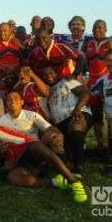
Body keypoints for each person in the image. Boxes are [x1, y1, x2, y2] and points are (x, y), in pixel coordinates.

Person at [0, 112, 87, 203]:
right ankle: (56, 182)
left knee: (38, 146)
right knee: (13, 177)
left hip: (28, 149)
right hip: (18, 162)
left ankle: (73, 181)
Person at [43, 66, 92, 176]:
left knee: (76, 125)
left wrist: (77, 109)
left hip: (77, 114)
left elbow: (85, 93)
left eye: (51, 72)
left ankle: (78, 167)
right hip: (60, 123)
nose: (48, 76)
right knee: (65, 150)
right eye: (45, 75)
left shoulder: (66, 81)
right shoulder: (45, 89)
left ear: (57, 73)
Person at [86, 20, 112, 150]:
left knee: (110, 118)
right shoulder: (89, 43)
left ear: (106, 29)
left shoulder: (110, 42)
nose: (97, 30)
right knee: (97, 117)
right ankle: (100, 146)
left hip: (108, 82)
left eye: (100, 28)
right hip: (93, 83)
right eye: (95, 27)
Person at [91, 51, 112, 176]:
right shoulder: (102, 80)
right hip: (108, 115)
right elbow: (92, 92)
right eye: (109, 60)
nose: (111, 63)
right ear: (105, 62)